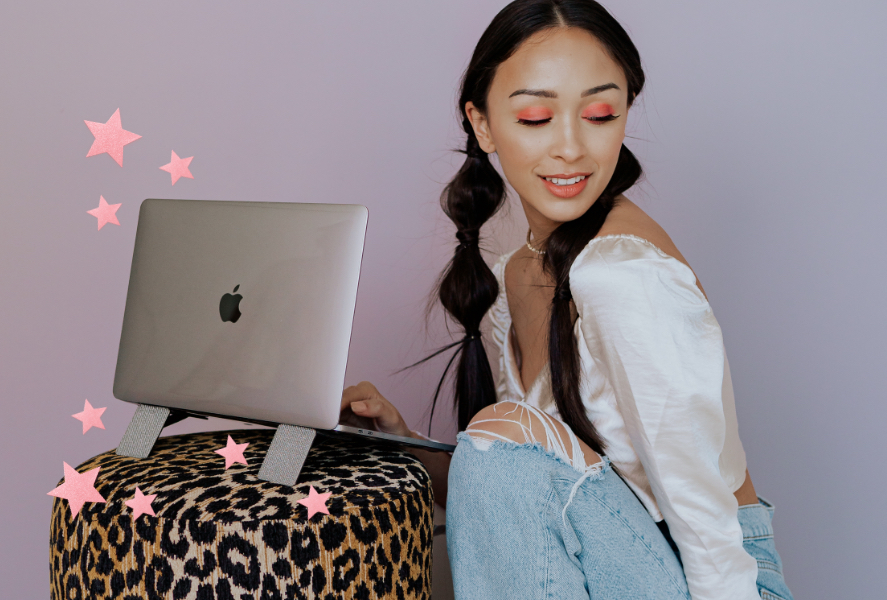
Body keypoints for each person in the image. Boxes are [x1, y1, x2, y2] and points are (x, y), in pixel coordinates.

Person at [340, 1, 794, 598]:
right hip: (622, 559)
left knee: (500, 433)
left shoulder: (623, 276)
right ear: (482, 125)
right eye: (535, 117)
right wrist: (402, 444)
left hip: (717, 577)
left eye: (600, 113)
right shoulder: (516, 273)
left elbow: (707, 524)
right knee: (501, 439)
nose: (572, 148)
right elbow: (530, 498)